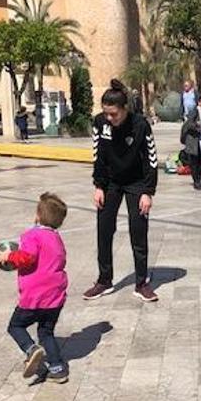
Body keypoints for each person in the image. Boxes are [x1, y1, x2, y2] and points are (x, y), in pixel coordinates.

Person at [83, 79, 159, 303]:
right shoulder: (100, 123)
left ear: (124, 108)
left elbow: (151, 159)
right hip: (110, 183)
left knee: (138, 231)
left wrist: (148, 191)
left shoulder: (140, 125)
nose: (109, 118)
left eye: (113, 113)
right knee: (104, 230)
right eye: (106, 113)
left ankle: (141, 283)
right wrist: (98, 186)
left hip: (136, 182)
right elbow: (98, 155)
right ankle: (104, 280)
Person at [0, 193, 70, 384]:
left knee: (15, 326)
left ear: (37, 215)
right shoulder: (56, 238)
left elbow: (27, 257)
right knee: (46, 332)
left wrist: (10, 256)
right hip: (55, 297)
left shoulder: (32, 236)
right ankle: (58, 369)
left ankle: (31, 349)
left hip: (34, 297)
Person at [180, 107, 201, 191]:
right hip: (192, 143)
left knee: (199, 162)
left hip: (199, 143)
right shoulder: (193, 116)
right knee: (194, 163)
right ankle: (196, 181)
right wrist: (198, 126)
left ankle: (198, 180)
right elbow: (189, 125)